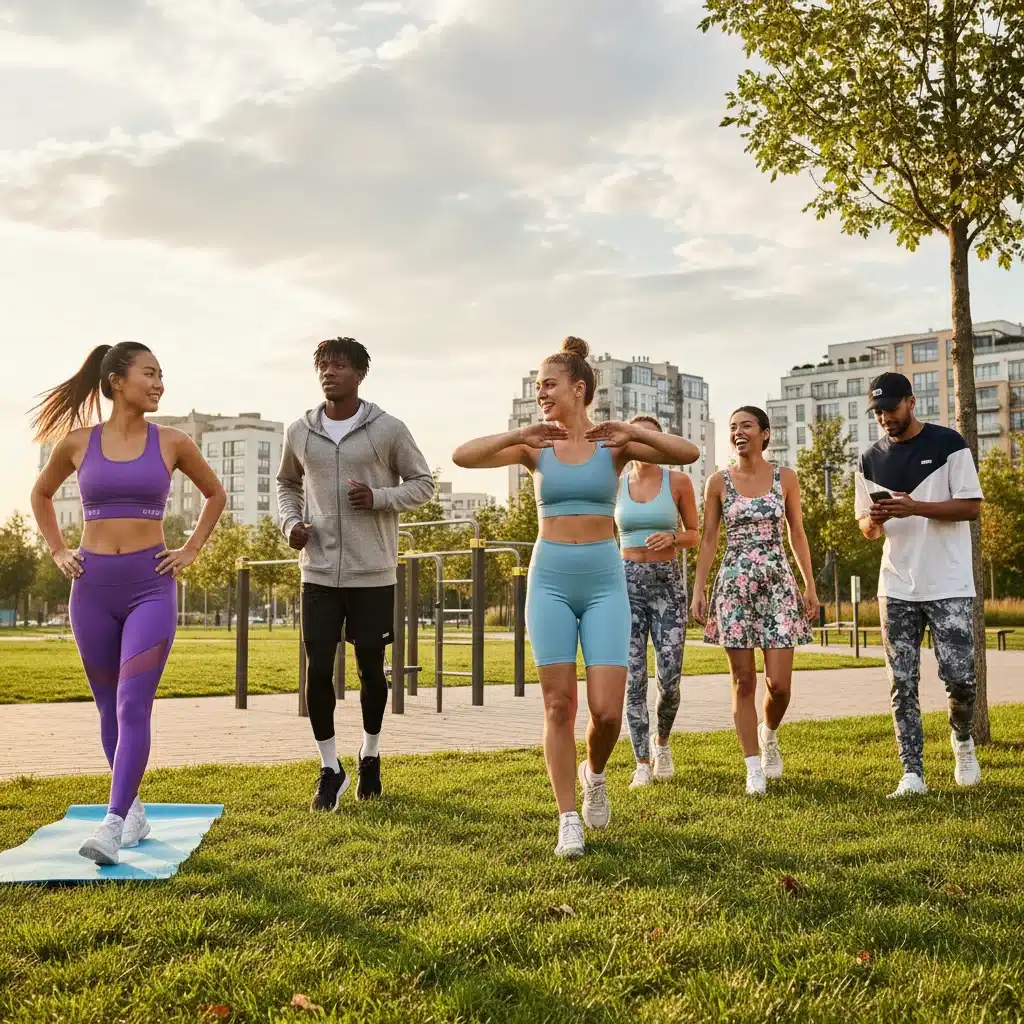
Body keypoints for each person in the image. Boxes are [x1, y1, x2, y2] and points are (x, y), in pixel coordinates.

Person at [452, 337, 699, 857]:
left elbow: (689, 453)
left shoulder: (614, 445)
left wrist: (632, 430)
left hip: (605, 579)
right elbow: (461, 456)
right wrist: (519, 432)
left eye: (549, 384)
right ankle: (568, 817)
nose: (540, 392)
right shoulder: (534, 446)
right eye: (537, 385)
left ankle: (596, 773)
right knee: (558, 704)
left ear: (579, 389)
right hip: (550, 580)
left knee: (607, 713)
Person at [29, 342, 225, 865]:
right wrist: (57, 550)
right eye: (150, 374)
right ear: (118, 380)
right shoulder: (75, 443)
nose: (159, 384)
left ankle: (112, 825)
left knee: (133, 703)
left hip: (149, 586)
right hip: (91, 588)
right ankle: (132, 808)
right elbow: (41, 495)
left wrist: (191, 549)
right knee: (107, 707)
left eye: (162, 375)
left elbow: (215, 494)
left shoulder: (173, 441)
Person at [277, 336, 434, 810]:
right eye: (323, 365)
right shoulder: (299, 432)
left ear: (360, 374)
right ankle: (330, 767)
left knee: (370, 671)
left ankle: (370, 753)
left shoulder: (387, 429)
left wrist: (379, 497)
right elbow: (286, 483)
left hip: (373, 573)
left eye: (340, 365)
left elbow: (423, 483)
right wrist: (290, 523)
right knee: (318, 671)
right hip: (318, 572)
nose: (329, 372)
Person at [854, 372, 983, 797]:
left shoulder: (949, 444)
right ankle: (912, 773)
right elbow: (865, 529)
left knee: (960, 678)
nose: (885, 418)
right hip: (896, 586)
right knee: (901, 682)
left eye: (891, 408)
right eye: (879, 412)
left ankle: (962, 740)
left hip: (948, 582)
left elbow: (970, 507)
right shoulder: (869, 458)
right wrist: (874, 520)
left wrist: (915, 507)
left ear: (911, 402)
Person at [690, 406, 818, 796]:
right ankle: (752, 767)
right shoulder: (718, 482)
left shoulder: (786, 478)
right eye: (733, 428)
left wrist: (808, 585)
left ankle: (769, 732)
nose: (738, 432)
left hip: (778, 583)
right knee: (742, 680)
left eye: (746, 426)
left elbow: (796, 532)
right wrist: (699, 588)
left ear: (765, 434)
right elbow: (709, 538)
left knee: (778, 685)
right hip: (734, 586)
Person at [614, 415, 699, 789]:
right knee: (632, 682)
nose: (645, 443)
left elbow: (695, 534)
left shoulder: (678, 482)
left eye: (653, 437)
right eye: (639, 436)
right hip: (625, 586)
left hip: (667, 588)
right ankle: (642, 763)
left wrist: (673, 538)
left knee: (670, 681)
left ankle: (661, 742)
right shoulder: (614, 485)